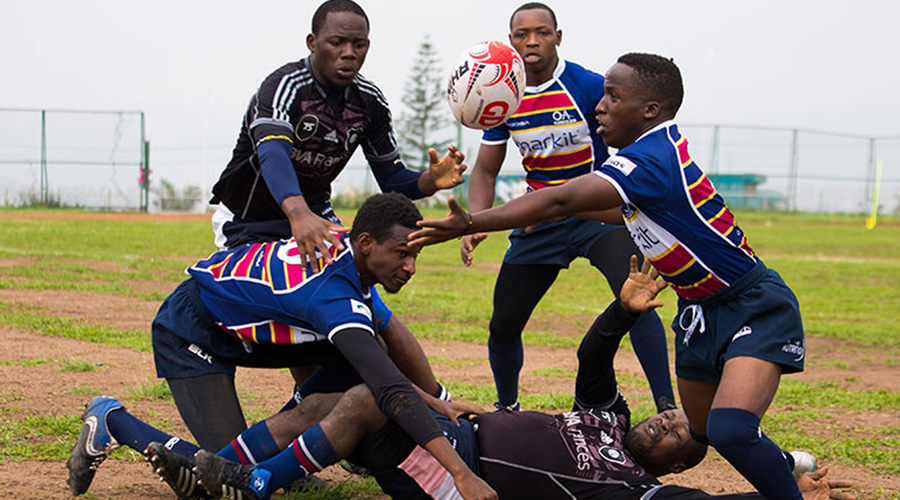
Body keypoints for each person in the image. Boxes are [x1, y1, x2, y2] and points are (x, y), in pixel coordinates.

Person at [410, 53, 813, 499]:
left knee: (731, 429)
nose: (599, 105)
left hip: (751, 302)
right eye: (602, 94)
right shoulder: (648, 159)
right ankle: (787, 471)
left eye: (613, 96)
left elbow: (562, 199)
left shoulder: (652, 157)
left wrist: (473, 221)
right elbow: (614, 211)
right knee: (703, 431)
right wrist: (542, 214)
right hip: (699, 311)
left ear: (650, 110)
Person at [138, 257, 851, 500]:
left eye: (675, 438)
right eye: (670, 417)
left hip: (452, 479)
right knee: (328, 398)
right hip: (450, 437)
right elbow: (592, 364)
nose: (666, 424)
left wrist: (778, 485)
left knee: (360, 398)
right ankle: (211, 466)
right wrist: (619, 308)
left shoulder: (633, 488)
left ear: (673, 466)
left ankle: (256, 484)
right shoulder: (607, 421)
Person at [461, 2, 674, 412]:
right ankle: (507, 411)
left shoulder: (589, 85)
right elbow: (486, 170)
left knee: (638, 301)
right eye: (522, 34)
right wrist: (476, 222)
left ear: (558, 36)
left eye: (542, 32)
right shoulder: (505, 96)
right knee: (503, 325)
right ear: (511, 42)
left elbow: (631, 146)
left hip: (599, 215)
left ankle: (668, 407)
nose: (532, 41)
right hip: (540, 219)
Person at [210, 0, 466, 272]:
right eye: (337, 42)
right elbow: (273, 154)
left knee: (352, 283)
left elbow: (392, 178)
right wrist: (298, 214)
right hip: (250, 218)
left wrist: (429, 181)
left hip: (316, 216)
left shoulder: (370, 102)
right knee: (264, 294)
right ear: (312, 42)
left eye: (359, 45)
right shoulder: (284, 86)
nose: (349, 53)